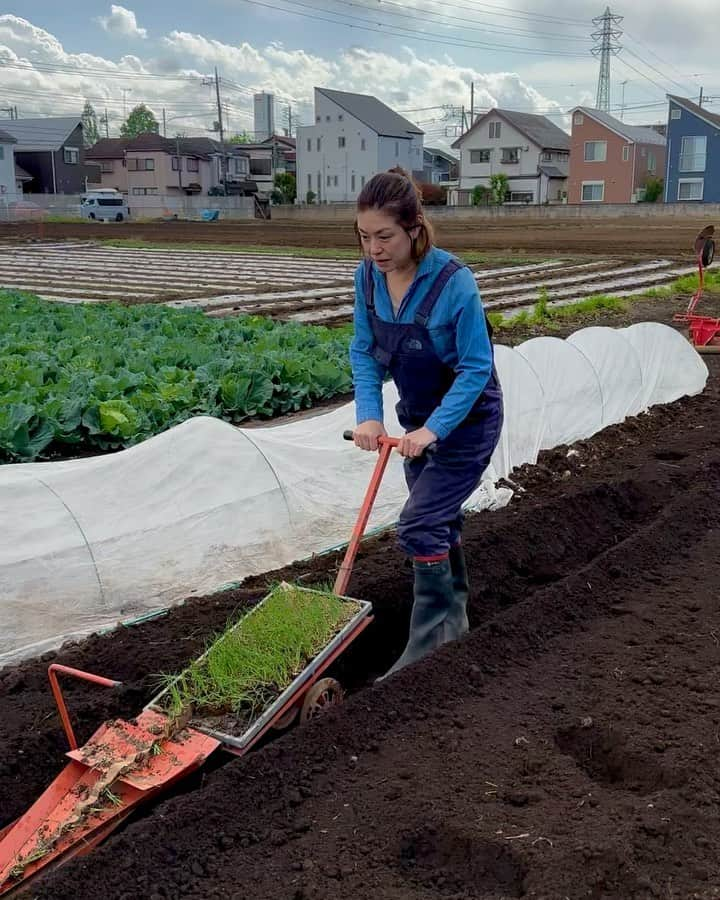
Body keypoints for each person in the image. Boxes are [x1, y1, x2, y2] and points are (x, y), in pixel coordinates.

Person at [349, 167, 503, 678]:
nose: (374, 248)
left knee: (418, 523)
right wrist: (369, 415)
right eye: (365, 236)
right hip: (413, 421)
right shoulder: (368, 278)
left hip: (467, 421)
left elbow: (476, 368)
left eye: (385, 236)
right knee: (438, 520)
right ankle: (453, 621)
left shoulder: (453, 283)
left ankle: (430, 649)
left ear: (414, 227)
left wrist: (435, 429)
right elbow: (364, 351)